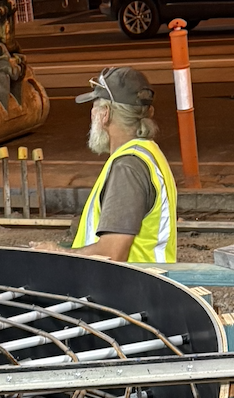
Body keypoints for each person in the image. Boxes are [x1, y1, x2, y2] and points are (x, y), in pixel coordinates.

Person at [67, 66, 177, 264]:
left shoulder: (128, 167)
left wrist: (56, 255)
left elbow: (111, 254)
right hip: (148, 286)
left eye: (94, 108)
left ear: (105, 114)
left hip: (130, 290)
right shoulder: (149, 153)